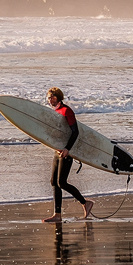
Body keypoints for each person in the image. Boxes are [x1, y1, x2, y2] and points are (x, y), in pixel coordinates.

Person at [45, 87, 92, 222]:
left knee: (62, 182)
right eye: (48, 98)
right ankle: (57, 215)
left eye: (52, 97)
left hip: (67, 151)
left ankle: (85, 202)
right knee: (54, 182)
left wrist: (68, 149)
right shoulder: (56, 112)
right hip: (58, 150)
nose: (50, 100)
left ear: (59, 98)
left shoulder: (66, 111)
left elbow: (75, 132)